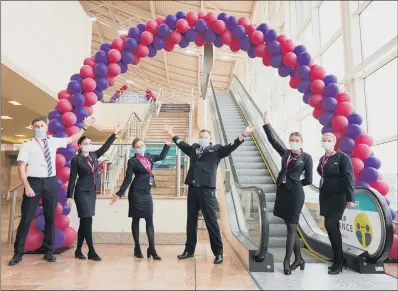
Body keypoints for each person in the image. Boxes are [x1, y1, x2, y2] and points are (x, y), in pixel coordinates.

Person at [9, 116, 96, 266]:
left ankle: (49, 251)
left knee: (51, 218)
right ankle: (18, 253)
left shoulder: (52, 141)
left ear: (46, 126)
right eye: (36, 126)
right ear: (32, 128)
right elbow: (21, 167)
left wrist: (84, 128)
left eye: (42, 125)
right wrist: (27, 186)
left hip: (50, 182)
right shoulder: (27, 145)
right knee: (26, 218)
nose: (39, 128)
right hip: (33, 182)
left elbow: (71, 139)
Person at [165, 124, 256, 264]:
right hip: (193, 188)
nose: (202, 139)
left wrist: (243, 134)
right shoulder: (194, 148)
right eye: (201, 137)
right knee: (191, 220)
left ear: (210, 139)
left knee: (211, 221)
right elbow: (182, 145)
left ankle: (218, 253)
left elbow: (231, 147)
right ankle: (189, 250)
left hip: (207, 189)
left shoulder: (216, 150)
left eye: (205, 137)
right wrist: (172, 135)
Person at [262, 111, 313, 275]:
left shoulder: (307, 158)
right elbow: (272, 140)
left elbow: (309, 180)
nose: (294, 142)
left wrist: (295, 184)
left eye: (297, 140)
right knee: (291, 226)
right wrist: (266, 123)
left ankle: (287, 260)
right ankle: (299, 259)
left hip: (295, 194)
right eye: (291, 140)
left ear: (302, 142)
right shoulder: (285, 153)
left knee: (291, 228)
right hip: (283, 193)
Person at [66, 124, 120, 261]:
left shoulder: (94, 155)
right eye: (85, 143)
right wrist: (69, 196)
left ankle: (78, 250)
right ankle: (91, 251)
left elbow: (105, 147)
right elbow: (72, 179)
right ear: (79, 145)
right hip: (81, 192)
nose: (88, 145)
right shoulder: (76, 159)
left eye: (90, 143)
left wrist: (114, 134)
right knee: (87, 220)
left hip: (91, 192)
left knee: (85, 222)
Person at [111, 138, 171, 260]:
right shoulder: (132, 161)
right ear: (134, 148)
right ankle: (137, 248)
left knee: (149, 220)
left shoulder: (149, 156)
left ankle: (152, 248)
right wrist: (119, 193)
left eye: (142, 145)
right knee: (136, 220)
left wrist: (167, 145)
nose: (141, 147)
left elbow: (161, 156)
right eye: (138, 146)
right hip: (136, 193)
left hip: (146, 192)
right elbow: (128, 178)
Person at [317, 132, 355, 275]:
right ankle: (338, 258)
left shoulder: (342, 157)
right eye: (324, 140)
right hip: (325, 196)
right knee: (332, 228)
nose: (326, 142)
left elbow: (349, 177)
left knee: (330, 225)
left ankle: (339, 261)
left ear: (334, 142)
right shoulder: (322, 159)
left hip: (339, 197)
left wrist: (350, 198)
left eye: (328, 140)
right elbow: (320, 172)